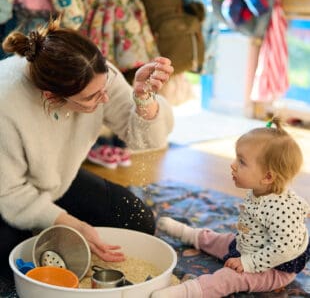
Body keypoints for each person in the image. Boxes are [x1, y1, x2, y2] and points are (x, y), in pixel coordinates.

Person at [0, 16, 174, 278]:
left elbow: (145, 140)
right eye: (91, 98)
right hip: (6, 192)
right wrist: (72, 224)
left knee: (137, 221)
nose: (104, 99)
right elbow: (10, 192)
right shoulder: (6, 102)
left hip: (56, 180)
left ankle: (44, 228)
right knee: (10, 259)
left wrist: (143, 99)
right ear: (51, 97)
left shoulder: (96, 75)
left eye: (104, 89)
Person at [153, 117, 310, 298]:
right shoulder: (263, 189)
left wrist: (248, 263)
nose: (233, 164)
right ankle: (190, 234)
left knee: (231, 278)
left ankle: (188, 292)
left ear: (267, 177)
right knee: (222, 241)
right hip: (249, 245)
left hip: (274, 267)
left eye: (241, 162)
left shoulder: (282, 210)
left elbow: (284, 250)